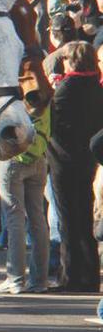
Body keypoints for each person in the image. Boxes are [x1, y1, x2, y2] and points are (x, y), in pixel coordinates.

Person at [47, 39, 102, 294]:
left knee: (67, 219)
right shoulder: (96, 86)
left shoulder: (66, 87)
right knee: (84, 215)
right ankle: (90, 273)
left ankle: (70, 275)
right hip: (88, 157)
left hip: (63, 159)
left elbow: (55, 123)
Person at [0, 98, 51, 295]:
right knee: (38, 219)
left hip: (12, 158)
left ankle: (15, 279)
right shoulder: (45, 96)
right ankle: (40, 280)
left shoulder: (12, 99)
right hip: (39, 159)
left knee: (14, 219)